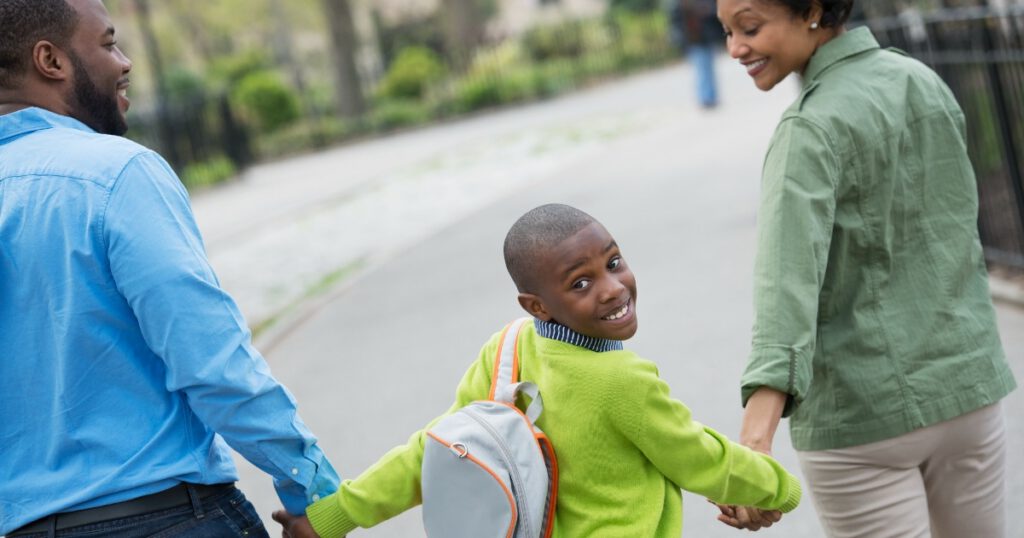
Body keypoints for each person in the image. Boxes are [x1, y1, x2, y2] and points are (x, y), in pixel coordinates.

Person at [0, 0, 339, 536]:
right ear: (51, 60)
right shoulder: (115, 174)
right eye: (108, 42)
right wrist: (313, 490)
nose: (125, 61)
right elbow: (213, 364)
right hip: (164, 516)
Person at [273, 203, 802, 537]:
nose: (613, 288)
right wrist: (779, 489)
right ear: (537, 305)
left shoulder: (506, 351)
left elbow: (433, 450)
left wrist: (334, 517)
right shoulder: (623, 382)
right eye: (581, 283)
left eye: (613, 263)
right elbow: (699, 459)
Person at [716, 0, 1018, 536]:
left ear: (811, 11)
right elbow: (955, 231)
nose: (735, 48)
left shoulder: (808, 129)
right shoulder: (921, 81)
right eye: (728, 32)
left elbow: (786, 291)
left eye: (750, 28)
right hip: (967, 392)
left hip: (861, 420)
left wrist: (754, 445)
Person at [669, 0, 722, 108]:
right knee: (702, 69)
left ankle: (709, 96)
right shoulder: (679, 5)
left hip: (704, 38)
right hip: (693, 40)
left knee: (707, 68)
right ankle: (706, 98)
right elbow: (677, 22)